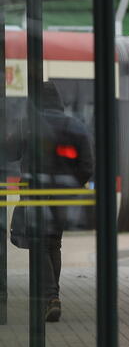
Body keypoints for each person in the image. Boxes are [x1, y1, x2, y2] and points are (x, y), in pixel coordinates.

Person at [9, 82, 94, 322]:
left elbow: (8, 151)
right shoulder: (74, 125)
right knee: (53, 244)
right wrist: (68, 186)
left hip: (35, 194)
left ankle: (50, 297)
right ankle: (51, 297)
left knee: (38, 244)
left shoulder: (29, 125)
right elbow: (87, 165)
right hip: (62, 197)